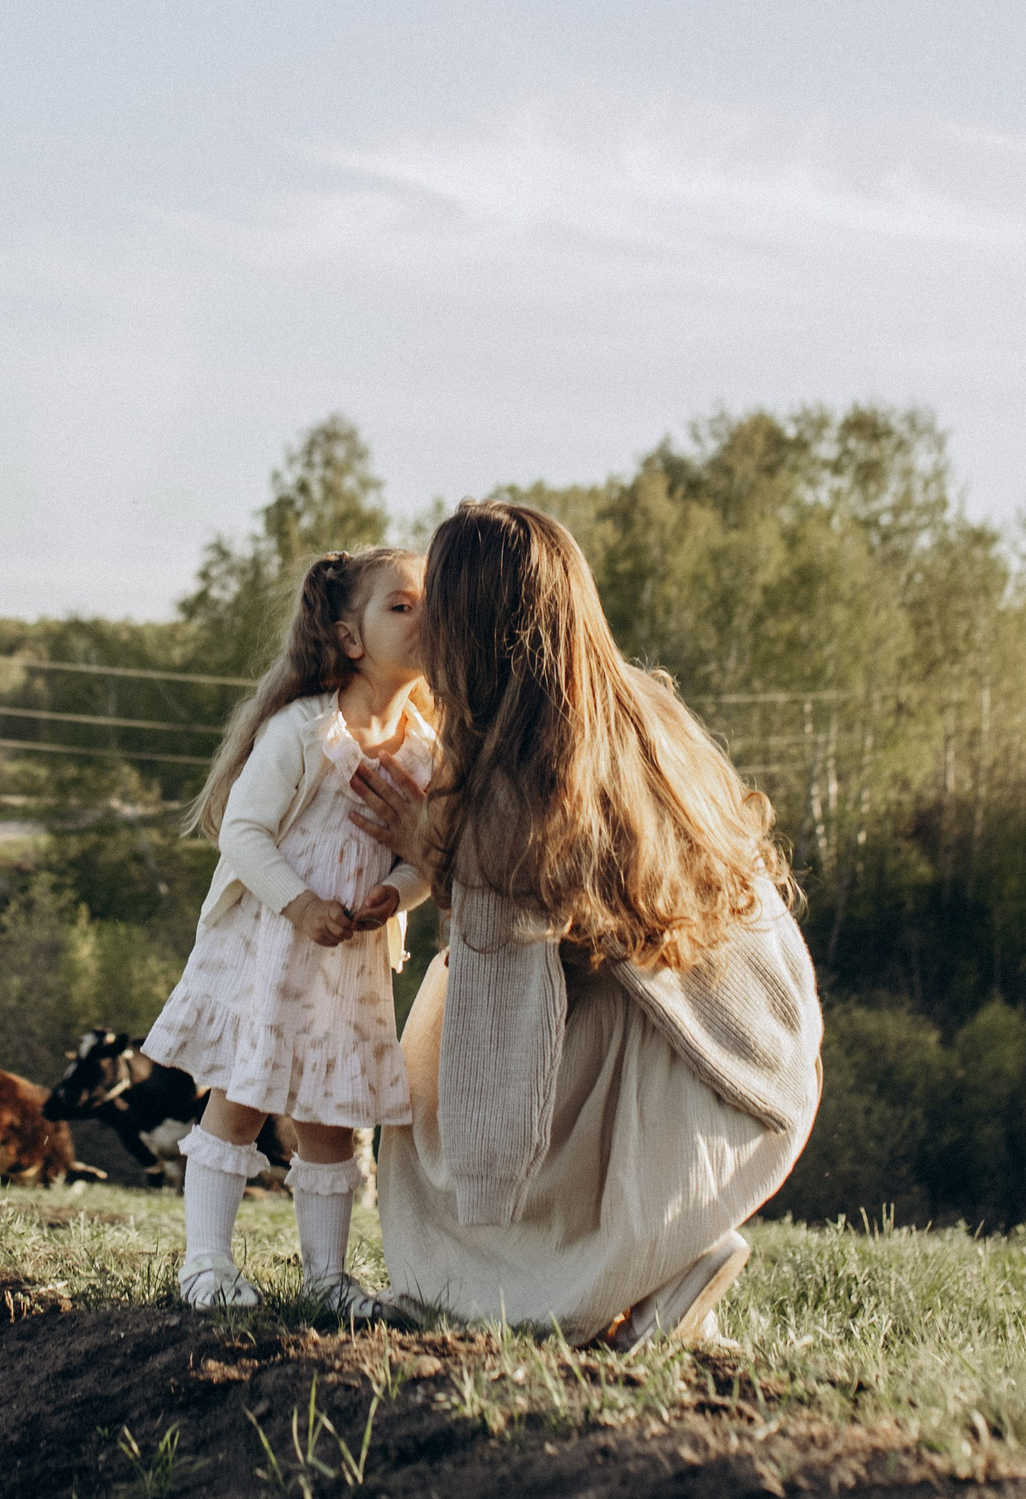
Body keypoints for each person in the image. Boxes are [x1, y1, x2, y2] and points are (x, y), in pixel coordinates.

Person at [349, 501, 823, 1347]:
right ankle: (660, 1275)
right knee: (578, 1007)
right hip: (749, 1059)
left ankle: (587, 1281)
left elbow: (501, 1045)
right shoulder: (644, 711)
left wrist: (431, 850)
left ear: (471, 629)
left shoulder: (507, 785)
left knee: (433, 1064)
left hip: (662, 1074)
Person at [144, 547, 437, 1318]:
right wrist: (302, 904)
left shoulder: (427, 750)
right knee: (240, 1101)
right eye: (401, 607)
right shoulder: (305, 731)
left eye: (430, 604)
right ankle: (205, 1264)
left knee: (332, 1121)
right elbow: (242, 832)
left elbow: (428, 859)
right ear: (348, 638)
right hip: (271, 953)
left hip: (349, 968)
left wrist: (395, 892)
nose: (425, 618)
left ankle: (328, 1280)